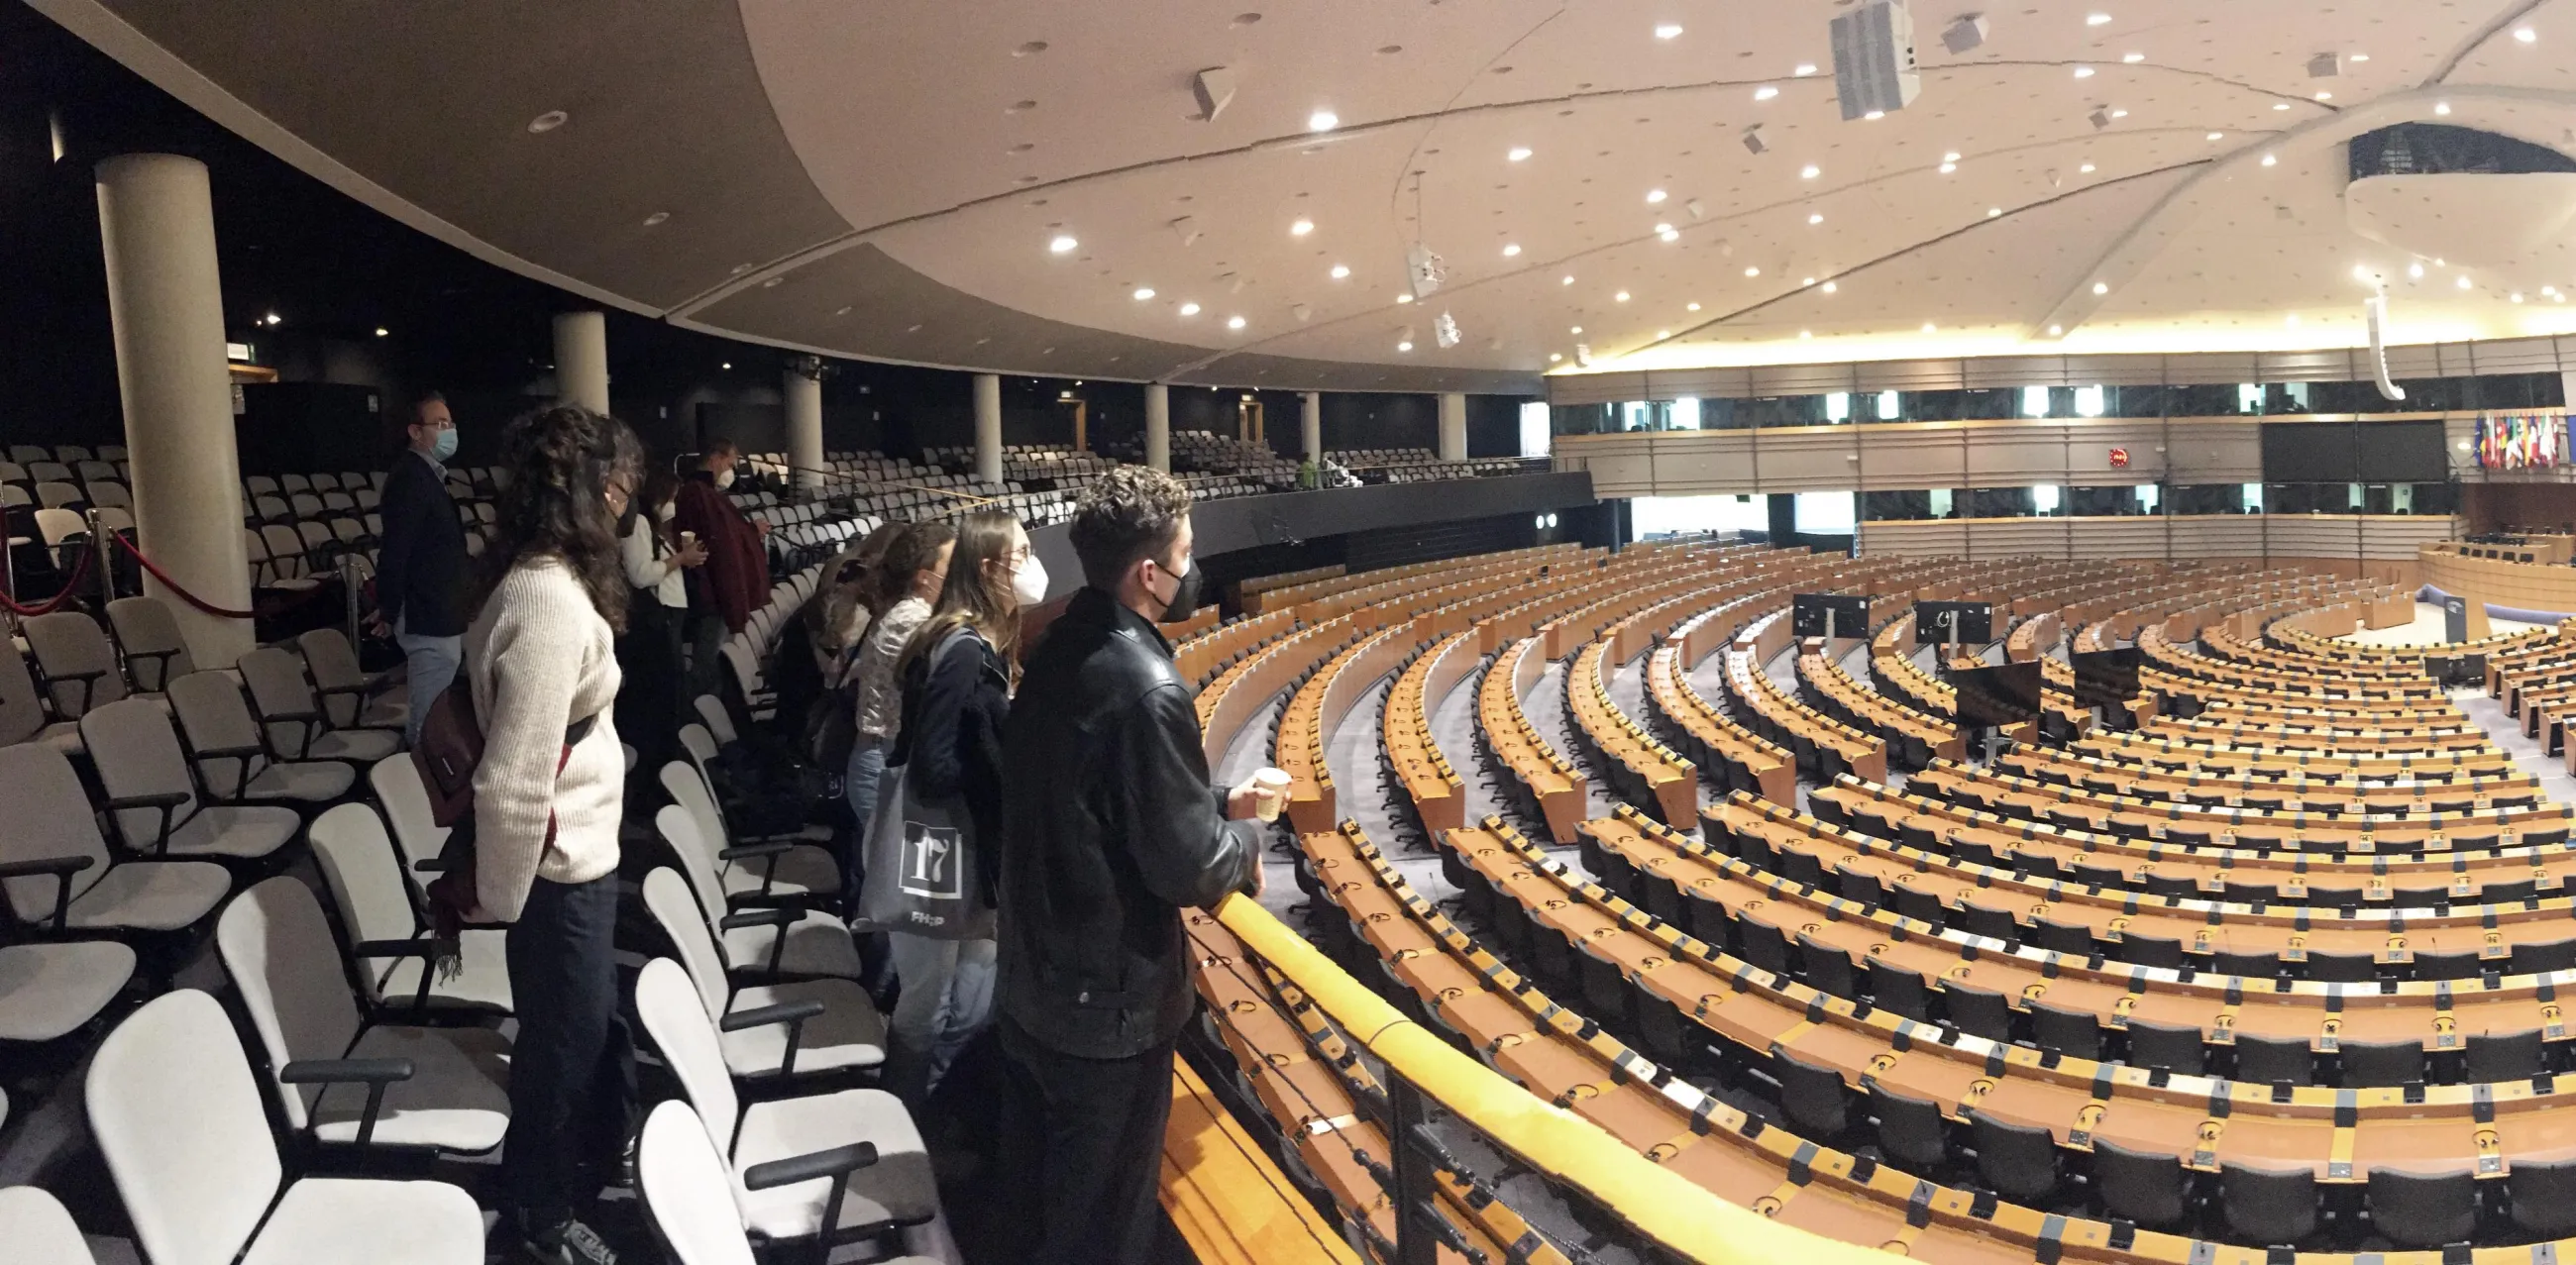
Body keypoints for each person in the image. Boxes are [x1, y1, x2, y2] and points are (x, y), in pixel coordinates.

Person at [996, 468, 1269, 1264]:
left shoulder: (1055, 644)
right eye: (1185, 552)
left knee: (1038, 1203)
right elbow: (1187, 869)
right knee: (1104, 1225)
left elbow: (1102, 794)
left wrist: (1217, 799)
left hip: (1033, 982)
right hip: (1106, 1012)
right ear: (1148, 573)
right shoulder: (1150, 687)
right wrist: (1246, 841)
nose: (1193, 568)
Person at [462, 404, 641, 1264]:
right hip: (557, 877)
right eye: (615, 490)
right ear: (586, 493)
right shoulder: (547, 598)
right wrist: (502, 903)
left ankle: (569, 1178)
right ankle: (539, 1213)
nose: (622, 507)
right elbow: (512, 776)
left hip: (573, 867)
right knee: (557, 1056)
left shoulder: (549, 583)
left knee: (579, 1034)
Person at [873, 509, 1031, 1107]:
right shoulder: (962, 648)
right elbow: (933, 765)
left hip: (974, 855)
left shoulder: (978, 644)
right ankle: (904, 1132)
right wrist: (1009, 770)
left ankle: (936, 1121)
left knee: (970, 1005)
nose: (1030, 565)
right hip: (947, 853)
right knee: (927, 1008)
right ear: (989, 568)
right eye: (1021, 555)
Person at [843, 519, 955, 893]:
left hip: (883, 758)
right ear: (925, 577)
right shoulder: (913, 621)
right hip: (882, 765)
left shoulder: (912, 614)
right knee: (900, 895)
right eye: (949, 566)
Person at [374, 391, 471, 745]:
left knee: (440, 708)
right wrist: (389, 606)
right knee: (428, 715)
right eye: (439, 424)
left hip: (442, 611)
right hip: (425, 613)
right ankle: (417, 784)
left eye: (450, 423)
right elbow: (397, 550)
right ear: (416, 431)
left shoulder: (431, 476)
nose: (448, 430)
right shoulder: (410, 478)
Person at [615, 468, 706, 782]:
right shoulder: (637, 523)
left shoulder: (648, 525)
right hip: (650, 622)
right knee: (657, 701)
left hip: (658, 619)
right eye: (673, 497)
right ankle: (657, 776)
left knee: (666, 697)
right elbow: (641, 575)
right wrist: (680, 559)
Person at [671, 438, 771, 713]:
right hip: (709, 589)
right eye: (730, 463)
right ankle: (697, 715)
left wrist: (750, 532)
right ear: (714, 459)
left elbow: (726, 536)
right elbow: (721, 543)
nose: (733, 470)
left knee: (712, 655)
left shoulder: (706, 492)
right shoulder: (696, 492)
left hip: (711, 587)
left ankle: (705, 711)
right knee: (707, 658)